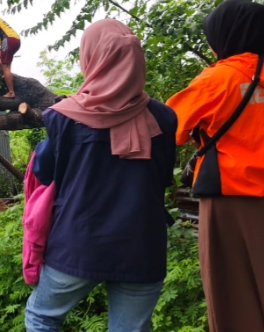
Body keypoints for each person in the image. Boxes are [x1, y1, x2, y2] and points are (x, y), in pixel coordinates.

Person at [25, 20, 177, 332]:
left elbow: (43, 170)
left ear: (91, 57)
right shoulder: (164, 118)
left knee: (42, 318)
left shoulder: (63, 117)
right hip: (142, 246)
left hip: (78, 241)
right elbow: (163, 178)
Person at [166, 0, 264, 332]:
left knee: (229, 287)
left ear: (225, 36)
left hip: (228, 198)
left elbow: (170, 127)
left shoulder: (217, 80)